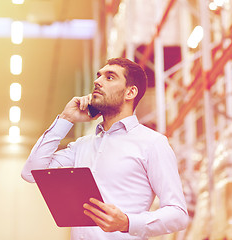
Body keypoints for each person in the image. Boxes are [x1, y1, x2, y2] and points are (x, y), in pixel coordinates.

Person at [21, 58, 189, 239]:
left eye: (109, 78)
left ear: (130, 92)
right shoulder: (82, 145)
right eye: (98, 76)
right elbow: (31, 173)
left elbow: (178, 215)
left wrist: (127, 222)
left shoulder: (152, 143)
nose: (97, 82)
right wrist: (65, 119)